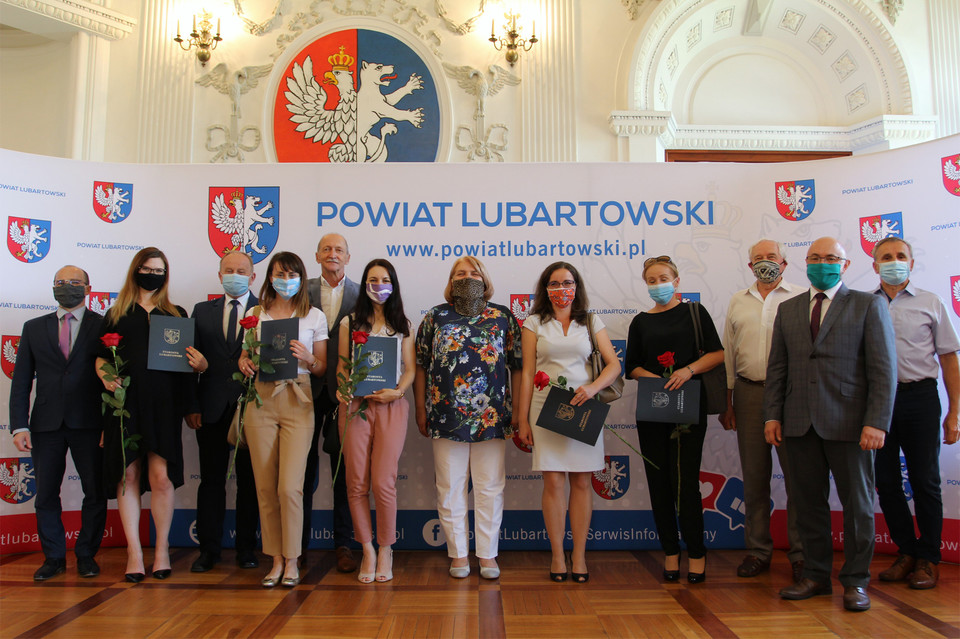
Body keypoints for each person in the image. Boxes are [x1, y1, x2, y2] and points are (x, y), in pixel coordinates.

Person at [764, 236, 896, 612]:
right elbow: (778, 368)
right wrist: (772, 414)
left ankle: (855, 581)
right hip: (798, 423)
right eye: (815, 258)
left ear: (845, 264)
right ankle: (816, 576)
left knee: (858, 506)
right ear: (805, 263)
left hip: (852, 425)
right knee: (807, 505)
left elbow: (883, 369)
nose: (822, 263)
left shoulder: (868, 305)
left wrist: (876, 422)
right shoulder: (788, 309)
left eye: (830, 258)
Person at [415, 256, 522, 580]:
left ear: (485, 279)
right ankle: (458, 554)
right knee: (450, 487)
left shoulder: (502, 317)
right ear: (450, 280)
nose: (467, 278)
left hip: (492, 417)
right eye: (460, 273)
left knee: (490, 487)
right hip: (446, 415)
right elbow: (420, 365)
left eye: (474, 273)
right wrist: (420, 408)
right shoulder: (435, 316)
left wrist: (518, 410)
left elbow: (517, 366)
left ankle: (488, 555)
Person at [96, 247, 197, 582]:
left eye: (158, 270)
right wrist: (105, 376)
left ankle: (162, 549)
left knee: (161, 478)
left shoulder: (177, 314)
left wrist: (191, 402)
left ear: (165, 275)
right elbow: (100, 357)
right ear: (135, 270)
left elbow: (187, 367)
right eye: (147, 269)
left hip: (164, 407)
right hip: (125, 406)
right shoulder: (116, 313)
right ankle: (134, 553)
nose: (152, 275)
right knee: (128, 476)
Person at [517, 261, 621, 583]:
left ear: (576, 287)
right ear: (545, 289)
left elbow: (614, 365)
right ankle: (557, 556)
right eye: (554, 284)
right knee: (553, 482)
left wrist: (592, 388)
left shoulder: (590, 320)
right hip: (544, 410)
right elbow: (527, 373)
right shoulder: (533, 322)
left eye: (567, 283)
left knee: (581, 482)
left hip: (583, 409)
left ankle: (579, 556)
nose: (561, 289)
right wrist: (522, 420)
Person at [625, 255, 724, 584]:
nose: (658, 285)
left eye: (663, 278)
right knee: (659, 482)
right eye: (651, 281)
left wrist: (687, 370)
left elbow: (718, 353)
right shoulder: (640, 322)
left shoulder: (695, 312)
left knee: (685, 482)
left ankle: (696, 553)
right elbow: (631, 366)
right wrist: (653, 378)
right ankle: (670, 551)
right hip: (653, 408)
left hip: (687, 407)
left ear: (677, 281)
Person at [871, 237, 959, 590]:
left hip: (920, 398)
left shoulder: (931, 302)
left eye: (900, 256)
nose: (894, 261)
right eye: (886, 257)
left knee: (925, 481)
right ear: (875, 265)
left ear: (911, 262)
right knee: (886, 482)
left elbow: (949, 358)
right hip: (878, 402)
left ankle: (929, 558)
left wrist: (955, 412)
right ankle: (906, 552)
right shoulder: (863, 304)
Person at [9, 265, 107, 581]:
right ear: (53, 287)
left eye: (74, 282)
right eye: (61, 282)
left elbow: (114, 376)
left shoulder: (104, 326)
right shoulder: (33, 328)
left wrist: (109, 424)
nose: (67, 286)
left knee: (95, 492)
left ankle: (86, 555)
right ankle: (53, 557)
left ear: (88, 288)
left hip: (90, 422)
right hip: (45, 424)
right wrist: (19, 425)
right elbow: (21, 380)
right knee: (46, 494)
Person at [238, 251, 327, 588]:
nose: (285, 280)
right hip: (261, 399)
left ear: (301, 278)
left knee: (290, 487)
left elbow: (322, 367)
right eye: (279, 274)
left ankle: (292, 559)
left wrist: (308, 358)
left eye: (291, 274)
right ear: (270, 277)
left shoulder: (314, 315)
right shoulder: (255, 313)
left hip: (298, 398)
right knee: (264, 486)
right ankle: (275, 559)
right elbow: (244, 356)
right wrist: (244, 362)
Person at [721, 240, 805, 582]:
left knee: (798, 478)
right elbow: (729, 353)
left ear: (784, 263)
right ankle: (758, 550)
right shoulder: (737, 300)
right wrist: (728, 401)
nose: (765, 262)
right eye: (758, 258)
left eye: (771, 257)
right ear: (749, 265)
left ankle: (801, 554)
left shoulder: (802, 297)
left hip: (792, 397)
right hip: (749, 393)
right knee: (754, 479)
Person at [336, 259, 414, 583]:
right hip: (355, 406)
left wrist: (398, 391)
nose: (378, 285)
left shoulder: (403, 324)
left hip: (391, 406)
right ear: (364, 284)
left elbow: (410, 369)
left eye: (384, 280)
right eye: (372, 279)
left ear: (393, 285)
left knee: (383, 482)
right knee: (356, 482)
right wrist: (343, 387)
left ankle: (386, 548)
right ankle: (366, 549)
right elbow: (342, 367)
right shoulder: (350, 321)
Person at [185, 250, 261, 573]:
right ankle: (208, 550)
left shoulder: (265, 311)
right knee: (211, 482)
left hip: (252, 408)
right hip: (211, 408)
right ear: (219, 275)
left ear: (253, 277)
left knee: (250, 483)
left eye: (241, 270)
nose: (235, 275)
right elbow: (189, 363)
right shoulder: (201, 312)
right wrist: (192, 405)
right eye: (229, 270)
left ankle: (246, 549)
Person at [305, 233, 359, 573]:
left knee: (344, 472)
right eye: (326, 249)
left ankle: (344, 544)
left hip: (344, 392)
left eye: (339, 249)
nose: (332, 254)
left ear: (348, 257)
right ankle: (297, 546)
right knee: (302, 470)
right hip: (305, 392)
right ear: (317, 255)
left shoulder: (361, 294)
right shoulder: (301, 290)